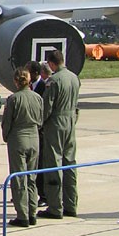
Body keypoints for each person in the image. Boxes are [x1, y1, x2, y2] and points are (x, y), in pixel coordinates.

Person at [38, 49, 81, 220]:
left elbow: (47, 107)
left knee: (53, 163)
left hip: (56, 123)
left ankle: (55, 207)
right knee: (70, 162)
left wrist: (40, 123)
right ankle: (71, 204)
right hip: (70, 121)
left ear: (51, 63)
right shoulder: (74, 77)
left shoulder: (53, 81)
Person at [1, 68, 43, 227]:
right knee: (32, 177)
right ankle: (32, 213)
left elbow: (7, 123)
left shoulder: (13, 99)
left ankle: (23, 215)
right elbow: (40, 119)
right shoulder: (37, 98)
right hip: (34, 138)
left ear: (16, 81)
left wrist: (6, 136)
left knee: (19, 178)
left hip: (18, 138)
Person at [25, 60, 47, 204]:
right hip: (29, 133)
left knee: (40, 165)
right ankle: (26, 193)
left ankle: (43, 195)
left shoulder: (44, 87)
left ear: (35, 73)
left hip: (40, 132)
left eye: (28, 72)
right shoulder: (27, 87)